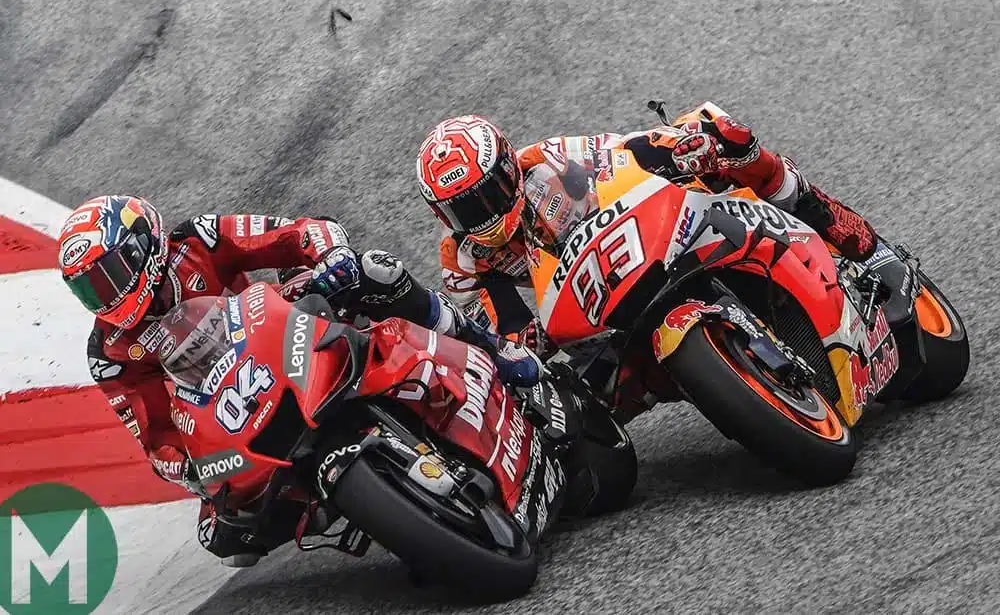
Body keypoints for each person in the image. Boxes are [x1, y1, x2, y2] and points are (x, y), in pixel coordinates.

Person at [57, 195, 543, 565]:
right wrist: (185, 468)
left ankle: (494, 349)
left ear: (143, 245)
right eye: (89, 290)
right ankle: (336, 504)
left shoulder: (198, 240)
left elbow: (297, 232)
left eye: (108, 275)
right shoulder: (109, 353)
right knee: (224, 539)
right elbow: (155, 434)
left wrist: (331, 256)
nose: (106, 296)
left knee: (372, 273)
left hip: (276, 334)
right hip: (230, 410)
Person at [416, 106, 879, 339]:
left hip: (643, 237)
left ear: (509, 169)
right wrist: (525, 345)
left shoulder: (546, 160)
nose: (484, 214)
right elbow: (499, 330)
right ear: (442, 214)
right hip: (593, 313)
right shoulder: (462, 259)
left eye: (489, 194)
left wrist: (681, 147)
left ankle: (823, 216)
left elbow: (624, 151)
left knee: (721, 134)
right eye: (464, 210)